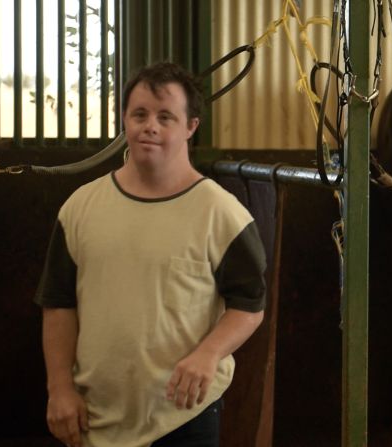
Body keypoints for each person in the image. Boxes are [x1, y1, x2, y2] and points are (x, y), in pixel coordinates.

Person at [34, 62, 267, 447]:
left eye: (166, 117)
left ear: (191, 127)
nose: (150, 126)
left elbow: (249, 306)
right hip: (94, 416)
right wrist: (59, 389)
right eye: (139, 114)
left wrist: (208, 354)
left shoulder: (222, 214)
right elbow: (58, 304)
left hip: (183, 416)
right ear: (124, 119)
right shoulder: (80, 208)